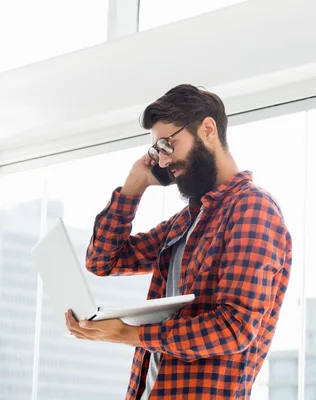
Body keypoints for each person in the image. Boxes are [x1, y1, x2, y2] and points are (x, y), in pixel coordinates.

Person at [64, 84, 293, 399]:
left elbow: (234, 327)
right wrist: (134, 185)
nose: (161, 162)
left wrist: (128, 333)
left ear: (208, 129)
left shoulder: (253, 208)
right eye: (157, 151)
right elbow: (102, 260)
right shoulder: (185, 222)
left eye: (168, 145)